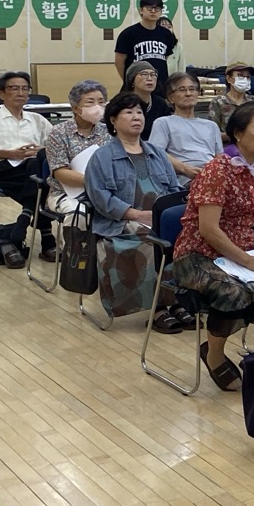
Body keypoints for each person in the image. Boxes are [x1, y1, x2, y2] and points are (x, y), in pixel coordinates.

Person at [171, 102, 254, 391]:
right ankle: (213, 354)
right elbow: (208, 230)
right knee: (233, 292)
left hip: (241, 254)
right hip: (198, 255)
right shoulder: (218, 170)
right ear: (238, 133)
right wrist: (248, 262)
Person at [83, 92, 183, 330]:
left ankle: (179, 300)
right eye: (128, 112)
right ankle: (159, 307)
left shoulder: (157, 153)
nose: (136, 116)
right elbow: (101, 198)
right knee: (152, 241)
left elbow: (174, 189)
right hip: (119, 223)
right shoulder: (102, 157)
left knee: (189, 236)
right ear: (113, 121)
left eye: (139, 112)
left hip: (159, 218)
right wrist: (137, 214)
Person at [0, 70, 54, 259]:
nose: (21, 93)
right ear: (1, 93)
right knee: (45, 183)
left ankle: (23, 224)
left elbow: (58, 145)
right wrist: (11, 153)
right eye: (14, 88)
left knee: (39, 168)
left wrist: (40, 149)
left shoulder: (37, 119)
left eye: (25, 89)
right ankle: (46, 237)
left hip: (27, 173)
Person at [44, 79, 110, 217]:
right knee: (79, 215)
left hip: (106, 191)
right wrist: (94, 181)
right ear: (75, 108)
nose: (97, 107)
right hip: (66, 194)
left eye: (101, 102)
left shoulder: (109, 132)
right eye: (90, 102)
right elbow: (60, 172)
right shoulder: (59, 132)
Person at [149, 72, 223, 180]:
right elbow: (156, 152)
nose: (188, 94)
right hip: (182, 178)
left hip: (212, 176)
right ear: (171, 98)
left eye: (192, 89)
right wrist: (185, 169)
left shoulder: (211, 126)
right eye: (182, 90)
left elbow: (219, 158)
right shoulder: (163, 123)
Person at [113, 0, 176, 81]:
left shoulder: (166, 33)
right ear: (141, 10)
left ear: (161, 12)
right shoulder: (128, 33)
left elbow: (166, 57)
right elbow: (119, 61)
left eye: (157, 8)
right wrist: (127, 81)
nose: (153, 11)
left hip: (161, 83)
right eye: (149, 8)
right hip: (137, 83)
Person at [122, 62, 170, 140]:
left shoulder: (161, 103)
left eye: (153, 74)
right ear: (132, 80)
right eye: (144, 74)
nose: (150, 78)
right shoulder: (123, 102)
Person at [209, 62, 254, 130]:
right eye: (240, 75)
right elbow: (212, 131)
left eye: (248, 77)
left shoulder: (253, 101)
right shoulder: (218, 102)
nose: (245, 79)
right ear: (229, 79)